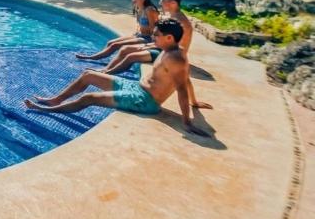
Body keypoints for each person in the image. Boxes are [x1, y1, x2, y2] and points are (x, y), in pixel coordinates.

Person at [24, 18, 210, 137]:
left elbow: (182, 87)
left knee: (89, 98)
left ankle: (48, 109)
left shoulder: (176, 58)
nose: (153, 37)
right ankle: (55, 100)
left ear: (169, 38)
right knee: (88, 75)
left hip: (144, 101)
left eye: (157, 35)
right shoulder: (169, 48)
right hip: (136, 87)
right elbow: (186, 79)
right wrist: (195, 102)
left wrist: (187, 122)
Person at [99, 0, 211, 110]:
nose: (160, 3)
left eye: (163, 1)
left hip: (167, 54)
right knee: (127, 51)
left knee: (130, 55)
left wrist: (149, 46)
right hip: (165, 51)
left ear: (173, 3)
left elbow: (179, 56)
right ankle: (106, 72)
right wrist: (149, 45)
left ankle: (106, 73)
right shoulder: (173, 18)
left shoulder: (180, 22)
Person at [74, 0, 159, 60]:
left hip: (147, 38)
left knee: (115, 45)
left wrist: (152, 43)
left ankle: (92, 57)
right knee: (110, 42)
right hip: (139, 35)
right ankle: (101, 56)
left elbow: (154, 27)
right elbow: (140, 24)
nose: (133, 0)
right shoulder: (138, 8)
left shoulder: (149, 10)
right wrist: (136, 33)